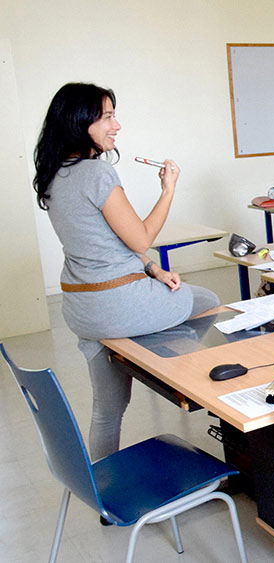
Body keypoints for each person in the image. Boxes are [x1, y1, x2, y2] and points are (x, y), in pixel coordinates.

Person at [32, 83, 220, 460]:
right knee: (208, 299)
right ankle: (165, 365)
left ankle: (101, 489)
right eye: (107, 117)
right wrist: (168, 190)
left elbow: (102, 244)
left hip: (82, 311)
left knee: (108, 408)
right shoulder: (97, 174)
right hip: (118, 307)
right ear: (79, 122)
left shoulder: (54, 174)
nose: (116, 126)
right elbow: (140, 238)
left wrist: (151, 268)